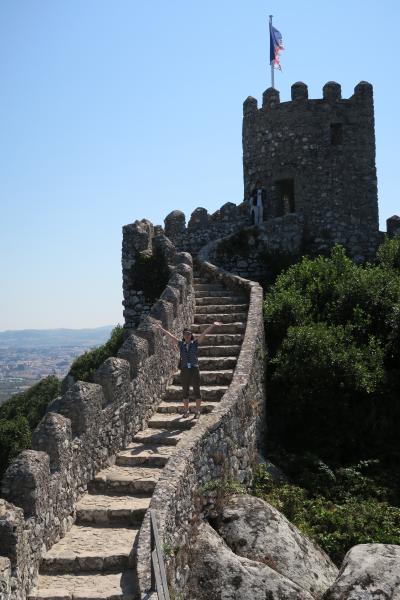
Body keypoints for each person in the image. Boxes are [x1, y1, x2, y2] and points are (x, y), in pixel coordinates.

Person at [155, 320, 222, 419]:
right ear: (183, 335)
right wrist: (161, 329)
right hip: (185, 369)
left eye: (189, 334)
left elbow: (204, 334)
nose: (187, 336)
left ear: (191, 335)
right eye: (185, 334)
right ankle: (186, 411)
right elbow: (171, 336)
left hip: (194, 368)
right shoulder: (180, 344)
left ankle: (197, 411)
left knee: (197, 391)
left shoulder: (195, 343)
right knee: (185, 391)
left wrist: (212, 326)